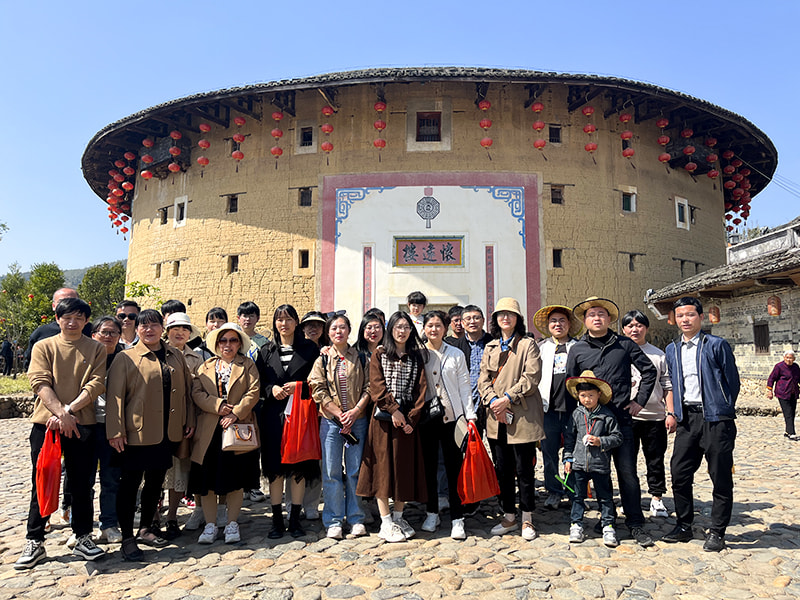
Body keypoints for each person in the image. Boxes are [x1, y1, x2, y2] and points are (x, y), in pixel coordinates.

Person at [16, 298, 107, 569]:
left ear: (86, 320)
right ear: (57, 319)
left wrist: (69, 411)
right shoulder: (44, 346)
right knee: (42, 479)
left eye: (79, 317)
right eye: (67, 316)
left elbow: (96, 383)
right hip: (46, 425)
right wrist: (60, 414)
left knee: (82, 483)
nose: (72, 321)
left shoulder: (96, 349)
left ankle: (82, 536)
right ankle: (35, 540)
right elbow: (39, 382)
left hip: (82, 423)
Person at [566, 297, 657, 547]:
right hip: (590, 426)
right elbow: (570, 385)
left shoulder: (624, 344)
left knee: (627, 473)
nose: (597, 318)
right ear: (585, 321)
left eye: (602, 314)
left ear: (609, 319)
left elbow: (649, 371)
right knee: (597, 475)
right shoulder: (578, 349)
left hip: (621, 419)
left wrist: (639, 401)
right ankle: (607, 519)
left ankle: (635, 522)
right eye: (592, 314)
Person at [106, 310, 195, 561]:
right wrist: (115, 431)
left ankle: (146, 527)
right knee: (130, 484)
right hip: (135, 433)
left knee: (155, 481)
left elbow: (186, 391)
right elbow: (115, 398)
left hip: (166, 432)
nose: (149, 330)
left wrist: (188, 419)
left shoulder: (175, 355)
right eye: (143, 326)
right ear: (136, 329)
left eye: (154, 325)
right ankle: (127, 538)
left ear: (162, 327)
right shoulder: (126, 358)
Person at [662, 297, 740, 552]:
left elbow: (732, 381)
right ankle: (684, 525)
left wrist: (723, 407)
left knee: (719, 476)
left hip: (716, 420)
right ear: (675, 319)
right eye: (680, 315)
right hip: (687, 419)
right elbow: (672, 382)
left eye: (690, 315)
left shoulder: (716, 345)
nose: (685, 319)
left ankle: (717, 531)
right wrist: (673, 412)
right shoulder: (672, 349)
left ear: (700, 317)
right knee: (679, 472)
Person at [357, 311, 428, 543]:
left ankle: (399, 517)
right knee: (383, 470)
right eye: (398, 326)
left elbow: (421, 389)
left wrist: (411, 418)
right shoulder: (379, 354)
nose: (402, 331)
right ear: (391, 329)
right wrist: (394, 410)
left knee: (404, 469)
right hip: (384, 422)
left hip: (406, 422)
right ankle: (386, 522)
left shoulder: (416, 356)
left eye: (406, 326)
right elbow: (376, 386)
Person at [478, 297, 544, 541]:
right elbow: (482, 378)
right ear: (495, 319)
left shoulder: (528, 345)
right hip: (496, 417)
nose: (506, 318)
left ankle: (527, 518)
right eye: (501, 314)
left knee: (524, 470)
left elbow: (531, 376)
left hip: (522, 415)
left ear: (518, 319)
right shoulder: (491, 347)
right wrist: (492, 400)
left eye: (511, 314)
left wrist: (507, 397)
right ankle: (508, 515)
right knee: (503, 469)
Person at [189, 323, 260, 545]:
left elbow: (254, 391)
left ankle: (231, 522)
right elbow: (197, 392)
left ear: (239, 343)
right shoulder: (206, 366)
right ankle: (210, 524)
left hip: (237, 430)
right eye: (223, 340)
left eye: (232, 340)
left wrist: (236, 413)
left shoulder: (247, 365)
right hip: (209, 431)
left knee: (235, 480)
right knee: (207, 481)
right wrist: (217, 405)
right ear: (217, 344)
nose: (227, 345)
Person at [256, 304, 320, 539]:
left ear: (297, 323)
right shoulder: (266, 351)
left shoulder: (309, 350)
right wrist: (270, 389)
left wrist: (300, 387)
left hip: (300, 416)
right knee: (275, 469)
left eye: (289, 319)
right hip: (273, 416)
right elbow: (258, 382)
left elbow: (318, 381)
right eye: (279, 320)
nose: (284, 324)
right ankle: (276, 520)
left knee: (298, 469)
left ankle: (295, 519)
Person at [308, 314, 370, 539]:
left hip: (357, 422)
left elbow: (369, 387)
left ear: (349, 331)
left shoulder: (361, 357)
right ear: (329, 332)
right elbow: (317, 388)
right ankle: (333, 520)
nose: (338, 332)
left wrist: (355, 412)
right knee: (332, 472)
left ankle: (355, 518)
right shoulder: (322, 359)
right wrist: (338, 413)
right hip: (332, 423)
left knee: (354, 471)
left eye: (342, 328)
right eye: (334, 328)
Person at [419, 310, 476, 539]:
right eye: (430, 325)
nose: (434, 329)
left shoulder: (456, 354)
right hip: (427, 420)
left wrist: (470, 416)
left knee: (455, 469)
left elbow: (464, 386)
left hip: (453, 419)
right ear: (424, 328)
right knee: (430, 469)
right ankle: (432, 512)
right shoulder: (419, 353)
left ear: (446, 328)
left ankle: (457, 518)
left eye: (438, 325)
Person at [621, 309, 675, 518]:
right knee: (627, 461)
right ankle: (631, 499)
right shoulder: (619, 353)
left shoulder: (657, 355)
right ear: (623, 329)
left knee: (655, 459)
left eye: (639, 325)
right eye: (630, 326)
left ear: (646, 328)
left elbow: (667, 385)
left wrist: (671, 412)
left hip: (654, 416)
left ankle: (657, 498)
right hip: (627, 417)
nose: (635, 329)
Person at [563, 370, 623, 547]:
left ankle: (608, 525)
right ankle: (576, 524)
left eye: (590, 395)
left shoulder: (607, 415)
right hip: (579, 464)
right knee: (577, 496)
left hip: (600, 464)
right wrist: (568, 459)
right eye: (583, 395)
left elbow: (617, 437)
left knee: (605, 497)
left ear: (599, 394)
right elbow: (569, 438)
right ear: (578, 396)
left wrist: (600, 441)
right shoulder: (576, 414)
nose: (587, 399)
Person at [533, 304, 582, 510]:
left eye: (562, 320)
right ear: (548, 325)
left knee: (573, 454)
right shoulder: (541, 347)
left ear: (569, 324)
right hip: (548, 409)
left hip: (573, 408)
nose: (558, 324)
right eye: (553, 321)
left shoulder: (579, 347)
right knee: (549, 452)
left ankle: (573, 491)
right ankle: (554, 490)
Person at [162, 313, 205, 537]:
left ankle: (174, 515)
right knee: (161, 470)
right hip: (159, 420)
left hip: (186, 420)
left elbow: (197, 391)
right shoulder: (157, 353)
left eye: (184, 329)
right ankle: (158, 515)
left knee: (181, 468)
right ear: (167, 331)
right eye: (175, 328)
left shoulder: (197, 359)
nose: (180, 332)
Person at [90, 316, 124, 545]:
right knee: (82, 480)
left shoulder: (125, 360)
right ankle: (80, 527)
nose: (108, 336)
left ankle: (109, 524)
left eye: (113, 332)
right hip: (85, 424)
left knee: (111, 479)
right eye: (104, 332)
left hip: (112, 426)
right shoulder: (84, 357)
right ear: (94, 335)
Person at [236, 301, 270, 503]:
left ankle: (254, 485)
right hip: (234, 399)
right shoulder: (233, 339)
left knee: (254, 442)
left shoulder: (263, 343)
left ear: (257, 318)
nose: (247, 319)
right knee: (236, 442)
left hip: (257, 398)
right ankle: (239, 484)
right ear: (238, 318)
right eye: (243, 315)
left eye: (251, 315)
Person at [24, 288, 93, 367]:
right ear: (53, 306)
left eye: (72, 301)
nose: (68, 305)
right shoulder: (41, 333)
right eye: (62, 301)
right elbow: (30, 362)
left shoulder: (94, 331)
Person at [453, 304, 494, 434]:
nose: (472, 321)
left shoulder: (494, 343)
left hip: (491, 402)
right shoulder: (455, 347)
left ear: (483, 321)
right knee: (470, 447)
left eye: (476, 318)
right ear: (462, 323)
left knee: (497, 446)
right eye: (468, 318)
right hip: (466, 403)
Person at [766, 350, 800, 440]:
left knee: (792, 412)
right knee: (788, 412)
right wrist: (769, 390)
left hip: (793, 393)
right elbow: (771, 378)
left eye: (791, 358)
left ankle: (787, 431)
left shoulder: (796, 367)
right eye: (787, 358)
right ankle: (792, 433)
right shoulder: (779, 367)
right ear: (784, 358)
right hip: (782, 393)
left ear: (794, 359)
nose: (789, 360)